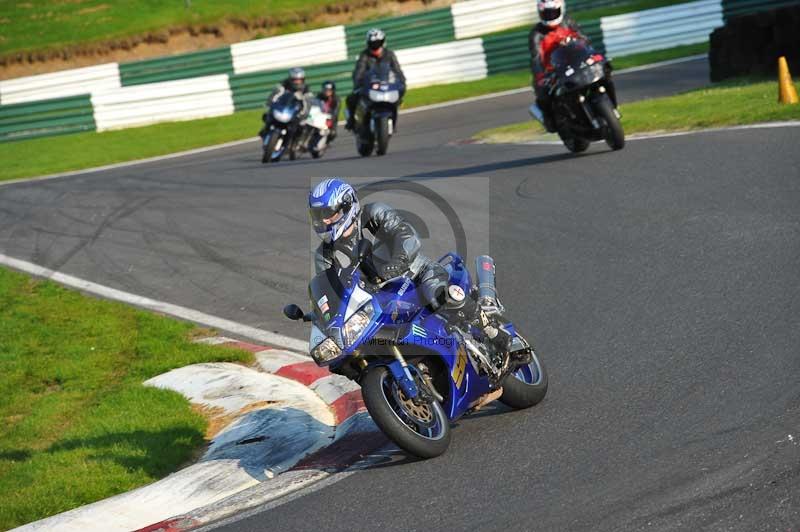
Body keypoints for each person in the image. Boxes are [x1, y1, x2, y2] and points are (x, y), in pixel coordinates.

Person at [308, 178, 513, 359]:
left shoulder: (373, 214)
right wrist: (321, 316)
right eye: (318, 215)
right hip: (381, 303)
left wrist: (392, 268)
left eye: (328, 214)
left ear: (346, 207)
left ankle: (490, 329)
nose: (323, 221)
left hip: (416, 275)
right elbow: (329, 292)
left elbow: (407, 237)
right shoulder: (324, 256)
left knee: (439, 295)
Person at [528, 0, 616, 133]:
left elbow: (585, 40)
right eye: (546, 13)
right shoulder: (536, 34)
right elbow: (536, 59)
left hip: (576, 63)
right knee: (542, 91)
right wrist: (540, 75)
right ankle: (550, 120)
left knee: (604, 70)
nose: (550, 16)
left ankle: (612, 105)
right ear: (540, 13)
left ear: (560, 10)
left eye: (553, 12)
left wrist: (588, 50)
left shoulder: (568, 22)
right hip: (553, 70)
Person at [345, 29, 407, 131]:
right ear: (368, 44)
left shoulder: (389, 54)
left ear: (382, 42)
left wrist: (402, 82)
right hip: (370, 86)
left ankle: (392, 120)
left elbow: (397, 70)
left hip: (387, 85)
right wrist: (358, 82)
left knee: (398, 99)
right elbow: (359, 71)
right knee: (351, 99)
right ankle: (351, 121)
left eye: (378, 43)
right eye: (373, 44)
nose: (376, 47)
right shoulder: (364, 55)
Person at [259, 67, 312, 139]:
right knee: (268, 115)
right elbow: (275, 93)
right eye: (295, 80)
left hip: (296, 111)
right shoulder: (284, 84)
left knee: (302, 126)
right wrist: (270, 103)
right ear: (291, 79)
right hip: (284, 106)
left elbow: (307, 102)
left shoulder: (306, 89)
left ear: (303, 79)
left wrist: (304, 114)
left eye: (299, 80)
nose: (297, 82)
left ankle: (297, 141)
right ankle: (265, 129)